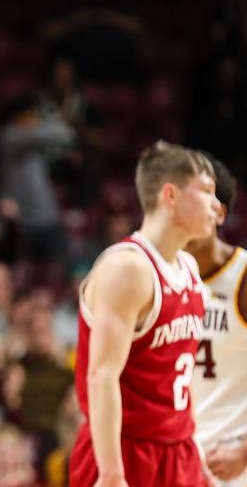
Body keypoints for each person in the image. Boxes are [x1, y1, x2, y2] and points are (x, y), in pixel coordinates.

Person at [69, 141, 219, 487]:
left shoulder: (189, 267)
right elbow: (101, 376)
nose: (216, 205)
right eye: (207, 192)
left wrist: (193, 453)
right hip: (124, 451)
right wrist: (111, 474)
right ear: (171, 196)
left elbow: (173, 377)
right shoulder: (127, 268)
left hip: (177, 451)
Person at [187, 155, 247, 486]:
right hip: (178, 461)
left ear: (218, 211)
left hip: (234, 462)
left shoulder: (242, 275)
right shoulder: (154, 278)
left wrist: (244, 452)